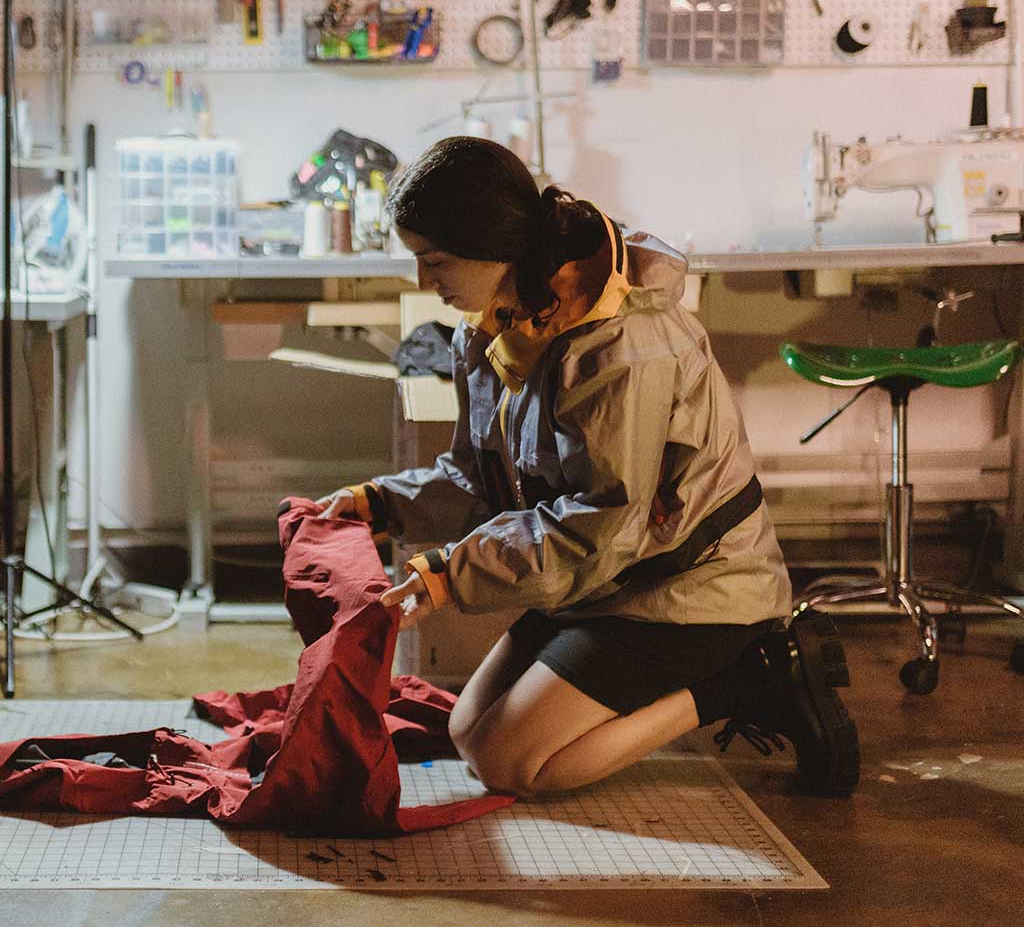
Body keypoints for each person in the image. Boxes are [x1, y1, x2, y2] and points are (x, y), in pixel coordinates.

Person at [319, 137, 859, 798]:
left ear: (493, 245)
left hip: (689, 587)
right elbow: (477, 479)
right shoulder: (492, 327)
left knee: (510, 764)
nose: (423, 281)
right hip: (603, 576)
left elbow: (601, 526)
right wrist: (377, 502)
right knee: (467, 729)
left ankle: (747, 677)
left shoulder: (621, 347)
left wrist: (447, 577)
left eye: (435, 261)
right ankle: (697, 679)